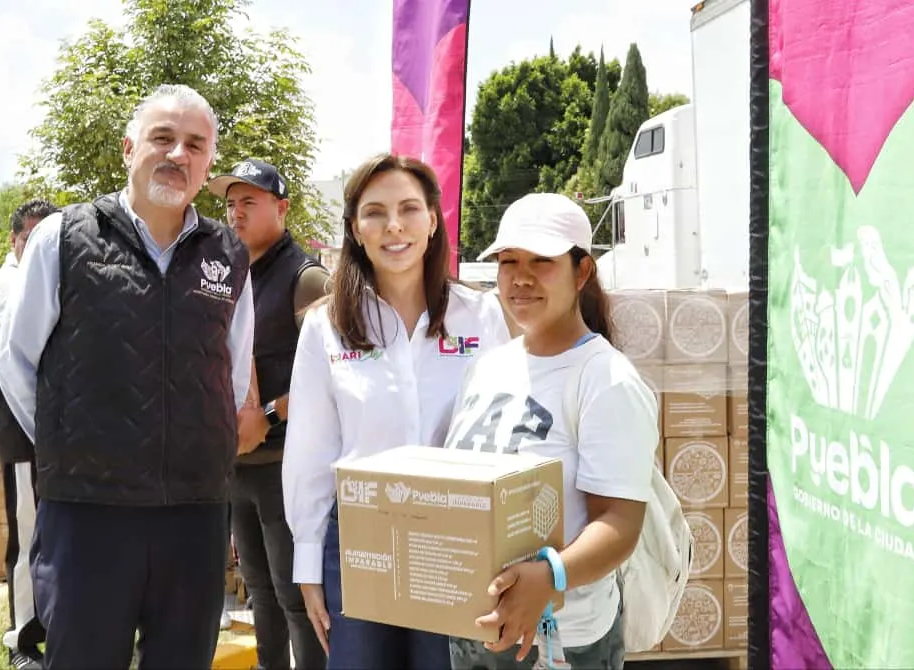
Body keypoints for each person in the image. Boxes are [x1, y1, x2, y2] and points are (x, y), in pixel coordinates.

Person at [0, 84, 255, 669]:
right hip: (89, 514)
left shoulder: (228, 254)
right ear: (129, 148)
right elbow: (16, 360)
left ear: (208, 163)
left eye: (195, 145)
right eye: (163, 138)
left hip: (194, 512)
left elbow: (232, 373)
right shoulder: (63, 238)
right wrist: (71, 443)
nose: (178, 154)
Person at [282, 153, 514, 670]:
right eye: (375, 212)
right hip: (360, 541)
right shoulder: (326, 326)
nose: (394, 226)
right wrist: (308, 565)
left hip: (459, 540)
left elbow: (505, 439)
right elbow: (310, 452)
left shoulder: (479, 316)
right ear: (354, 229)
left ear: (432, 221)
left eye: (409, 209)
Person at [443, 193, 657, 670]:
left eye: (542, 261)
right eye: (508, 261)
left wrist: (550, 576)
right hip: (479, 631)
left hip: (563, 642)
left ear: (582, 273)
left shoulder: (604, 379)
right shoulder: (486, 368)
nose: (521, 277)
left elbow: (620, 522)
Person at [208, 158, 330, 670]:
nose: (235, 213)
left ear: (281, 208)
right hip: (238, 467)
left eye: (249, 203)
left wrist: (271, 416)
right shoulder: (227, 273)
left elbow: (333, 377)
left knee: (296, 596)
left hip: (287, 468)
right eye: (230, 204)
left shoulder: (308, 280)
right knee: (259, 589)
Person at [0, 199, 59, 670]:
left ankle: (53, 625)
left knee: (54, 535)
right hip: (27, 436)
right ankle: (22, 640)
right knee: (29, 536)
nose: (41, 245)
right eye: (31, 237)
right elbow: (21, 363)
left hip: (52, 438)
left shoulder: (40, 279)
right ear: (13, 240)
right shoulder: (6, 287)